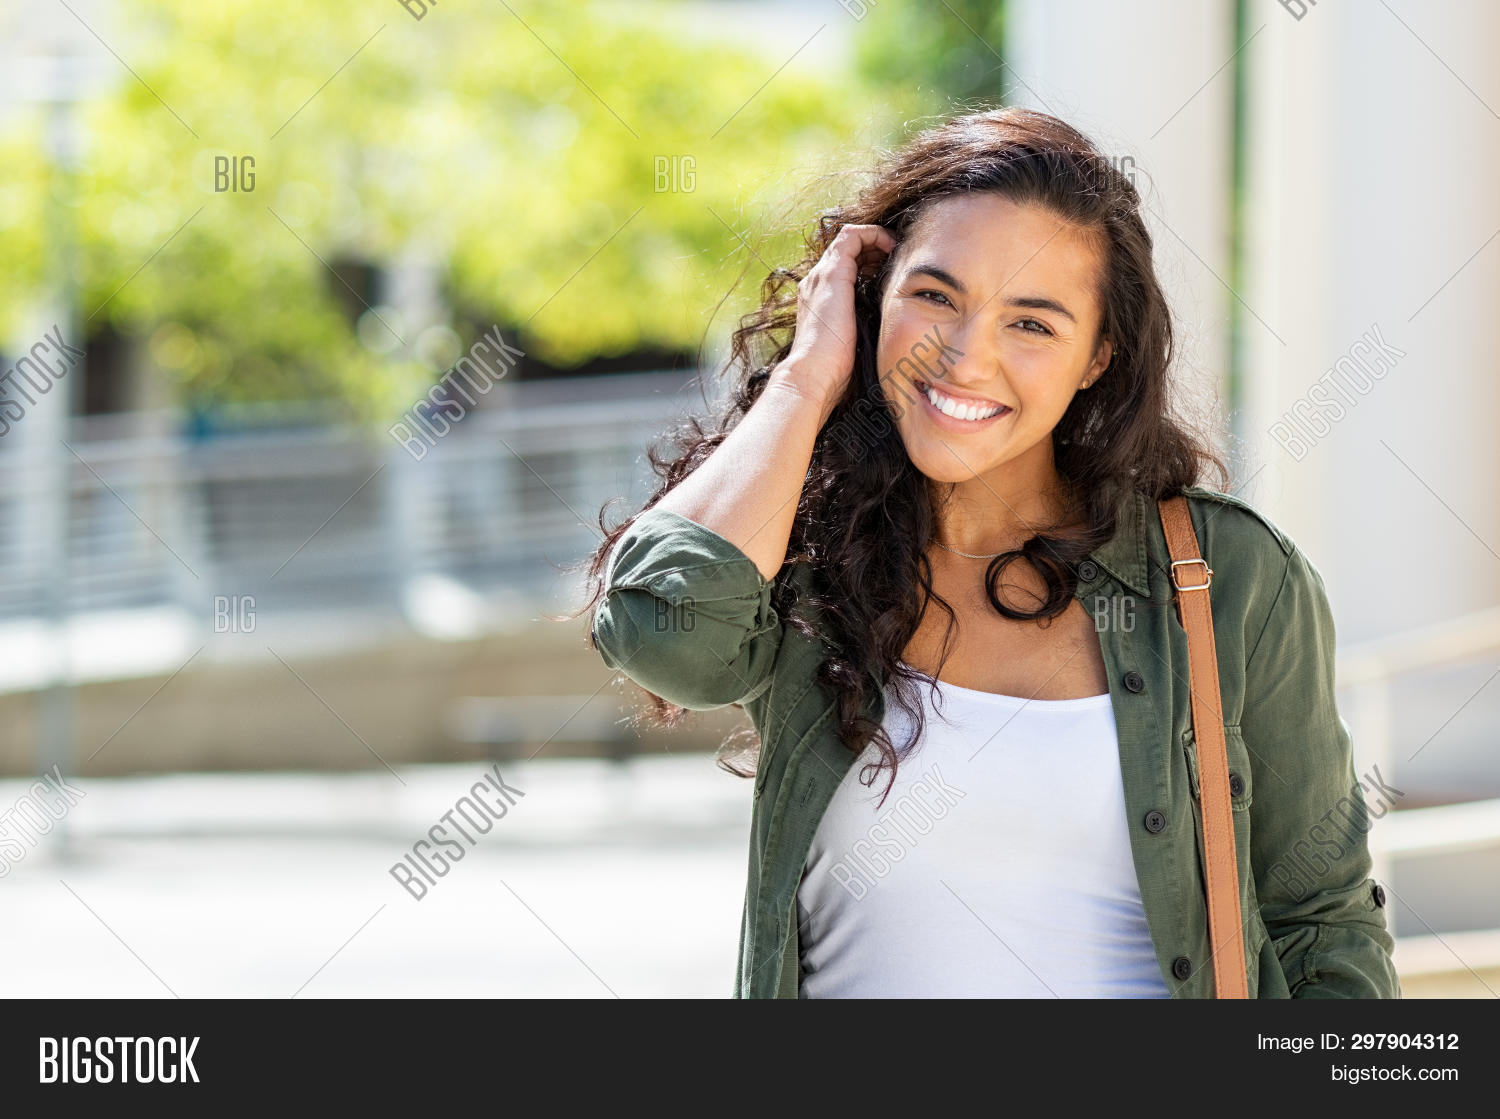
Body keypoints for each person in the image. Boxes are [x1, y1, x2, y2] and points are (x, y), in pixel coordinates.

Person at [583, 107, 1399, 999]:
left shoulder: (1226, 576)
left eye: (1033, 323)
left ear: (1098, 357)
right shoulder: (806, 554)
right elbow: (663, 633)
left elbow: (1321, 923)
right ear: (873, 296)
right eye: (935, 295)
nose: (965, 358)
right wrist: (810, 374)